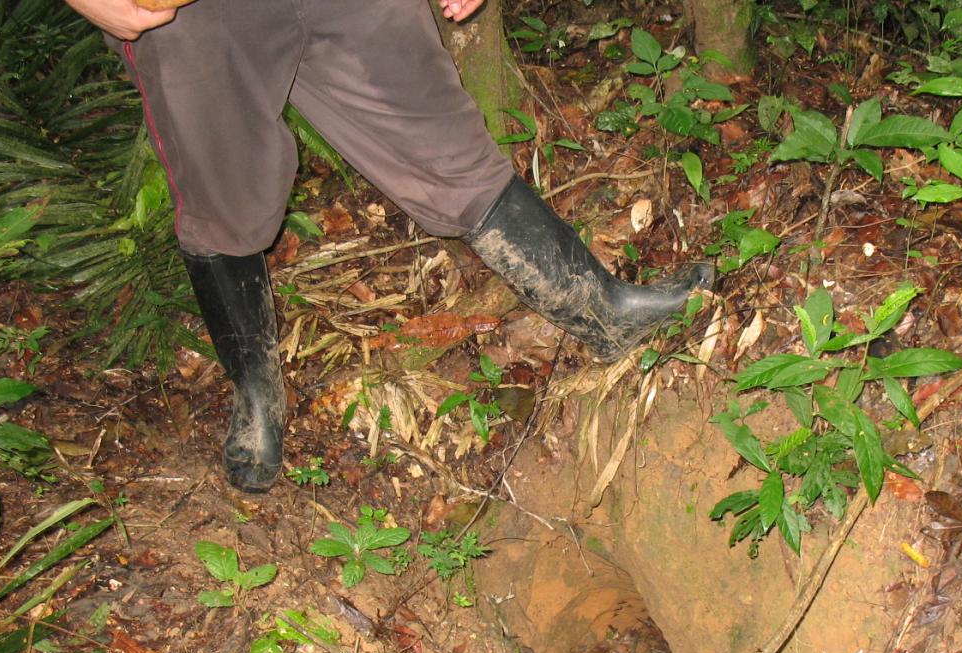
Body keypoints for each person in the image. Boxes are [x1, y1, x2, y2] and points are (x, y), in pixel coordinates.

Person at [64, 0, 715, 492]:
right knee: (224, 198)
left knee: (453, 156)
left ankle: (605, 316)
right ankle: (258, 400)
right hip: (196, 17)